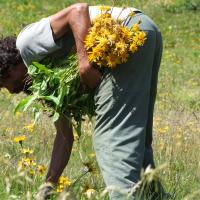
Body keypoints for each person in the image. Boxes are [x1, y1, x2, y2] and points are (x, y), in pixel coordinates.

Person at [0, 3, 166, 200]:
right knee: (137, 134)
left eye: (4, 82)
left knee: (112, 137)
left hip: (124, 34)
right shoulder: (43, 83)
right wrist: (46, 189)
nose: (10, 90)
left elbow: (77, 10)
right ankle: (154, 197)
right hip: (143, 30)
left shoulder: (26, 43)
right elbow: (64, 136)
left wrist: (85, 63)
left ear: (7, 65)